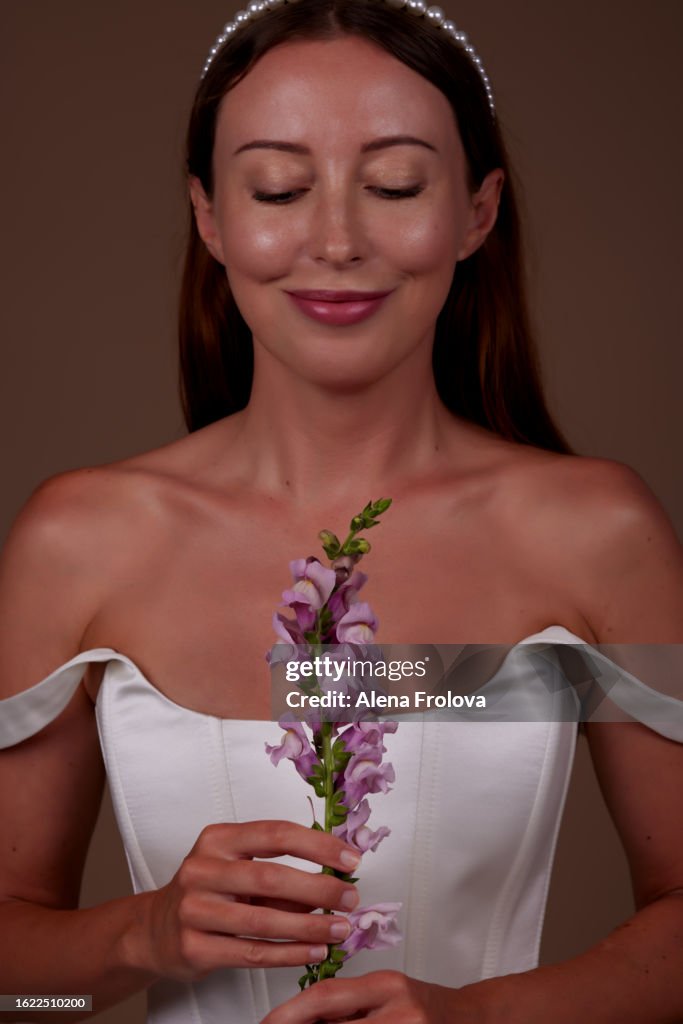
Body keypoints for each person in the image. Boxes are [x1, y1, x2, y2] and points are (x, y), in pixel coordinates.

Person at [1, 0, 682, 1022]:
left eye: (394, 184)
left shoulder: (594, 533)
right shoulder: (79, 541)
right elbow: (20, 994)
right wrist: (140, 936)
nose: (335, 240)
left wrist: (478, 1016)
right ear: (209, 217)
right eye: (278, 188)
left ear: (477, 211)